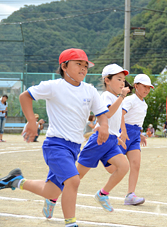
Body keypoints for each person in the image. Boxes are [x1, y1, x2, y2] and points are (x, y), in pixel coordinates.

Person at [0, 48, 109, 227]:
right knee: (73, 181)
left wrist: (103, 125)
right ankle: (71, 223)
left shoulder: (90, 90)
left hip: (74, 147)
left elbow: (102, 113)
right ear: (64, 66)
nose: (83, 68)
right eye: (78, 64)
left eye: (85, 66)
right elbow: (25, 96)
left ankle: (16, 181)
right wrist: (31, 122)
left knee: (51, 190)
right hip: (56, 145)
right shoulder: (54, 86)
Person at [42, 63, 131, 218]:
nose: (122, 83)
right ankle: (52, 198)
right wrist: (122, 96)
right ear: (107, 80)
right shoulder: (105, 96)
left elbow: (112, 122)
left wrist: (117, 137)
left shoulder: (116, 98)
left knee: (124, 166)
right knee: (75, 177)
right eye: (118, 79)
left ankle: (102, 194)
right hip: (98, 142)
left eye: (123, 80)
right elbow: (107, 114)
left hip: (110, 141)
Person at [105, 74, 154, 206]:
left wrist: (141, 134)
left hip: (135, 135)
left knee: (136, 164)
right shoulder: (130, 99)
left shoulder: (144, 104)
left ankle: (130, 195)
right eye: (144, 87)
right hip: (123, 133)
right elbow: (120, 114)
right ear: (136, 86)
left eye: (149, 88)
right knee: (112, 168)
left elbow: (137, 121)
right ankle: (102, 156)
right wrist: (124, 132)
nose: (147, 90)